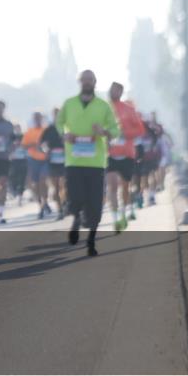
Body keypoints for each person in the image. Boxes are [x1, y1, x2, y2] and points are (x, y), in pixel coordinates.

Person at [56, 69, 120, 257]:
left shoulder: (103, 106)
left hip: (96, 162)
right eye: (84, 80)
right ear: (79, 82)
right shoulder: (69, 103)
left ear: (95, 82)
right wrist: (64, 134)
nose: (87, 82)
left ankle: (91, 240)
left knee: (94, 204)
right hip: (74, 160)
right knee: (75, 198)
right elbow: (59, 123)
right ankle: (76, 219)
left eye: (90, 80)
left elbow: (115, 130)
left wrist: (104, 131)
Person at [106, 84, 145, 233]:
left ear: (121, 92)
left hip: (127, 153)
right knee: (112, 186)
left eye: (115, 90)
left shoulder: (128, 109)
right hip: (110, 154)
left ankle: (123, 213)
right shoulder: (104, 108)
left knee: (125, 188)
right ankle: (115, 219)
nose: (112, 92)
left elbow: (140, 130)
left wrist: (124, 133)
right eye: (111, 90)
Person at [21, 112, 51, 220]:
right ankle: (41, 205)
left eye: (39, 117)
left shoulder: (46, 130)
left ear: (42, 118)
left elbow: (52, 143)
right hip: (33, 160)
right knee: (36, 184)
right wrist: (33, 145)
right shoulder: (30, 131)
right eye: (36, 118)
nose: (38, 119)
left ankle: (45, 201)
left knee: (43, 181)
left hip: (46, 160)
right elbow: (23, 145)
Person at [40, 107, 66, 219]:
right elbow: (42, 144)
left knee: (65, 185)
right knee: (55, 186)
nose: (57, 116)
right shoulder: (48, 129)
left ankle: (65, 203)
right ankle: (60, 209)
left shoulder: (67, 128)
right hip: (53, 161)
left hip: (66, 161)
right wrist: (46, 150)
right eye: (55, 114)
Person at [9, 124, 28, 203]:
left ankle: (20, 193)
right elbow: (7, 146)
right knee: (13, 176)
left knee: (22, 177)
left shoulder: (24, 136)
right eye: (16, 128)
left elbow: (27, 146)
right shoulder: (11, 137)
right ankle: (13, 190)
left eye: (18, 128)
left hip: (23, 159)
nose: (17, 129)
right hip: (13, 159)